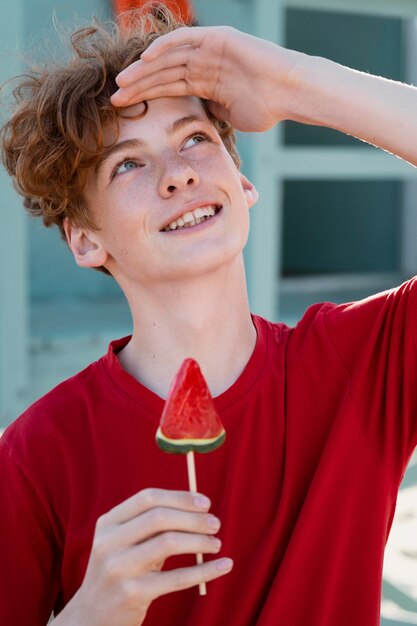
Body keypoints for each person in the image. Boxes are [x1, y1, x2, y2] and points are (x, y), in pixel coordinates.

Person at [1, 4, 417, 625]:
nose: (178, 176)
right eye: (129, 164)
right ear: (86, 240)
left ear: (242, 185)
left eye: (195, 138)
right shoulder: (36, 454)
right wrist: (88, 614)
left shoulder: (361, 360)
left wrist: (290, 83)